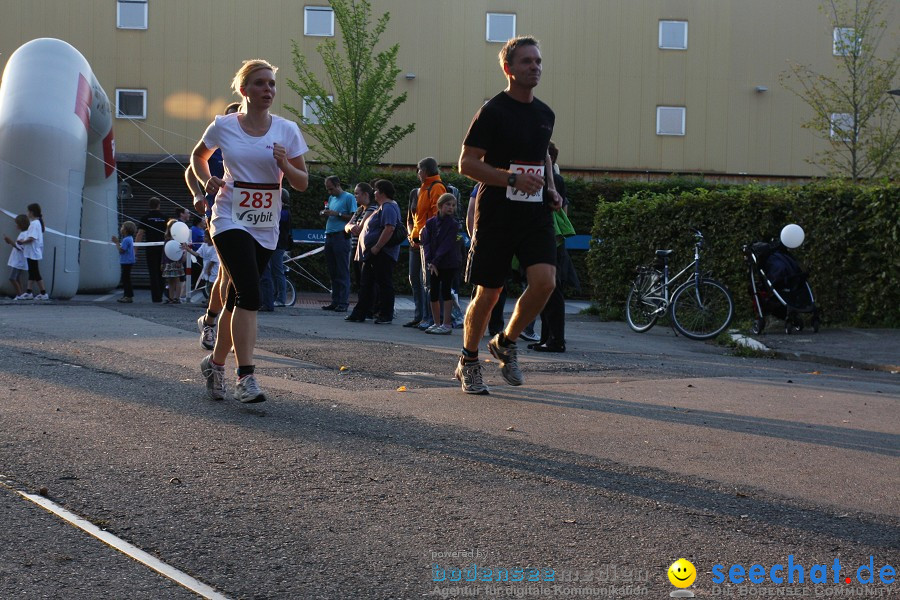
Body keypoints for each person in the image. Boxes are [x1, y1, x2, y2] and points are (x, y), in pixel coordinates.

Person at [191, 58, 309, 403]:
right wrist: (205, 179)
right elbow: (199, 157)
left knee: (237, 299)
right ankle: (246, 376)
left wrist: (285, 164)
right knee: (251, 294)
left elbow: (302, 183)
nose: (268, 90)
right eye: (260, 83)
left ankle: (214, 364)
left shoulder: (286, 130)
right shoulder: (224, 126)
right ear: (244, 90)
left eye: (271, 84)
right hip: (229, 217)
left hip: (265, 223)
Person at [456, 36, 562, 395]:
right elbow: (466, 163)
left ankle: (506, 341)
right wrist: (511, 179)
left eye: (538, 61)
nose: (535, 67)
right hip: (497, 211)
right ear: (508, 69)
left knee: (546, 281)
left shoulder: (545, 114)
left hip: (534, 212)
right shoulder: (493, 111)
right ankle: (468, 361)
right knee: (489, 292)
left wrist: (550, 187)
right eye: (526, 62)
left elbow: (543, 156)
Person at [188, 102, 242, 350]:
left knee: (231, 275)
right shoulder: (217, 146)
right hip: (220, 214)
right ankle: (218, 328)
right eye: (229, 119)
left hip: (249, 216)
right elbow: (191, 170)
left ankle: (210, 320)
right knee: (228, 273)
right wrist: (199, 195)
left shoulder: (252, 142)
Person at [529, 141, 579, 353]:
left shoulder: (551, 180)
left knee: (551, 290)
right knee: (547, 289)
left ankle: (555, 339)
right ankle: (547, 338)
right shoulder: (556, 179)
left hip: (549, 238)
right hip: (554, 238)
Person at [344, 179, 401, 324]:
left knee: (383, 283)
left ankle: (385, 314)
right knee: (366, 283)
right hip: (373, 253)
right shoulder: (381, 207)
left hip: (382, 253)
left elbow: (389, 228)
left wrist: (377, 247)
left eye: (375, 190)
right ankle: (360, 312)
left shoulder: (388, 207)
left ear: (382, 192)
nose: (373, 193)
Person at [409, 157, 446, 331]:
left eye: (418, 170)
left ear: (424, 171)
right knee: (424, 281)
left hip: (429, 242)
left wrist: (426, 238)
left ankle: (432, 319)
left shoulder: (435, 187)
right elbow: (419, 218)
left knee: (430, 283)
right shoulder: (424, 189)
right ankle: (426, 317)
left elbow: (435, 217)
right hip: (421, 240)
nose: (417, 173)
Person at [421, 193, 461, 335]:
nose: (451, 207)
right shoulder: (431, 222)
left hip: (448, 262)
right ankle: (436, 322)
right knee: (433, 291)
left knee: (445, 291)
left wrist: (435, 261)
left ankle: (447, 323)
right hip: (434, 263)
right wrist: (430, 261)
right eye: (448, 204)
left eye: (453, 205)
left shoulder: (453, 224)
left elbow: (446, 244)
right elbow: (426, 242)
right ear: (440, 206)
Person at [321, 176, 356, 312]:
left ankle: (343, 302)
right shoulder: (331, 199)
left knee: (342, 270)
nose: (330, 192)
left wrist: (338, 214)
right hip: (329, 236)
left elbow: (354, 217)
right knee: (332, 271)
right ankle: (335, 301)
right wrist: (326, 213)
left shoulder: (349, 197)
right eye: (327, 189)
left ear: (338, 185)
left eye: (331, 189)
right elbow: (331, 213)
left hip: (341, 236)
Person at [402, 184, 427, 327]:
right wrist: (411, 236)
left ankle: (428, 317)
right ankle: (418, 315)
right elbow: (409, 219)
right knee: (414, 278)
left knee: (426, 281)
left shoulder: (436, 189)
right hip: (414, 242)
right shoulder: (414, 192)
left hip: (427, 242)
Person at [346, 182, 376, 294]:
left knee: (366, 281)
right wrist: (351, 227)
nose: (355, 196)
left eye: (357, 194)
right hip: (355, 248)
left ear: (365, 194)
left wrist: (351, 227)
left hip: (364, 250)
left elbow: (359, 229)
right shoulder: (359, 210)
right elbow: (347, 226)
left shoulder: (372, 208)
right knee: (359, 280)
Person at [136, 197, 168, 303]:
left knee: (153, 272)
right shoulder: (165, 218)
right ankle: (161, 293)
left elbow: (140, 234)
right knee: (162, 271)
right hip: (163, 248)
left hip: (150, 248)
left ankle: (156, 297)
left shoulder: (145, 218)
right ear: (159, 205)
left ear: (149, 205)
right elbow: (170, 233)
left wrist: (135, 249)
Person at [16, 203, 48, 300]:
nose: (27, 213)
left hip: (32, 252)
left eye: (28, 211)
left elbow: (32, 238)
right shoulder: (36, 223)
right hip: (32, 251)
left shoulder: (34, 224)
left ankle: (43, 293)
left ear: (32, 212)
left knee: (35, 272)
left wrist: (22, 242)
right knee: (32, 271)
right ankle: (29, 292)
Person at [270, 188, 292, 307]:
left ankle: (281, 298)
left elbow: (276, 218)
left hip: (279, 244)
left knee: (278, 271)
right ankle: (274, 295)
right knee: (274, 271)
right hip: (275, 243)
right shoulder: (283, 210)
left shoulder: (284, 212)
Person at [4, 214, 29, 299]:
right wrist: (10, 242)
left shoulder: (24, 234)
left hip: (19, 260)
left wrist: (10, 241)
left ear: (21, 224)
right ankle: (21, 294)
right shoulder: (24, 233)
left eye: (17, 223)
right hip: (19, 260)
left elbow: (20, 248)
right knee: (17, 277)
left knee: (12, 278)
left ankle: (19, 295)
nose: (16, 225)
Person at [111, 221, 137, 303]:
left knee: (126, 279)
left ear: (126, 230)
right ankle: (127, 295)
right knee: (126, 278)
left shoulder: (126, 239)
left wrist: (116, 243)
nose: (121, 228)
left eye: (122, 227)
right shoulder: (130, 238)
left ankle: (128, 296)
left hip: (126, 261)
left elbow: (122, 250)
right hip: (128, 261)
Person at [161, 219, 186, 304]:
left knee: (177, 279)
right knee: (170, 280)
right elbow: (164, 252)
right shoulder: (167, 239)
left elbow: (182, 250)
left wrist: (182, 258)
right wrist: (162, 262)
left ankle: (177, 298)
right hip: (168, 262)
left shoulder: (179, 239)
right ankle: (171, 298)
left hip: (177, 262)